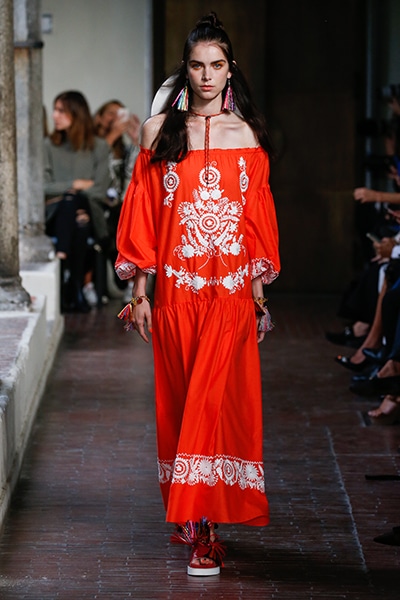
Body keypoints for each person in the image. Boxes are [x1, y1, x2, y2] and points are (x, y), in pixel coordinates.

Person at [115, 13, 280, 576]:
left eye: (216, 65)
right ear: (184, 70)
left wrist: (259, 299)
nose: (207, 75)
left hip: (229, 297)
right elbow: (142, 214)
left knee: (215, 408)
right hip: (176, 296)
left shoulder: (248, 136)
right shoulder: (158, 132)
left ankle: (205, 531)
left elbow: (255, 224)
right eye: (197, 65)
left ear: (230, 69)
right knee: (183, 405)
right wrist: (140, 293)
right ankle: (192, 515)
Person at [44, 90, 111, 312]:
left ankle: (64, 265)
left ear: (76, 113)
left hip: (90, 210)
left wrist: (70, 192)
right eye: (55, 110)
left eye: (61, 111)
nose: (54, 116)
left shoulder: (99, 146)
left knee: (73, 203)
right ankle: (76, 288)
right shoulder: (48, 146)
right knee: (77, 219)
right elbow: (42, 187)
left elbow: (100, 189)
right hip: (56, 215)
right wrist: (76, 184)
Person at [93, 100, 141, 303]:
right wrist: (112, 135)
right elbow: (94, 168)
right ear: (99, 117)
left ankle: (129, 283)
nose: (115, 118)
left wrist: (136, 140)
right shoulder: (92, 144)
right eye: (110, 113)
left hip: (120, 205)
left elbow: (134, 174)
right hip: (98, 202)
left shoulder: (124, 149)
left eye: (119, 113)